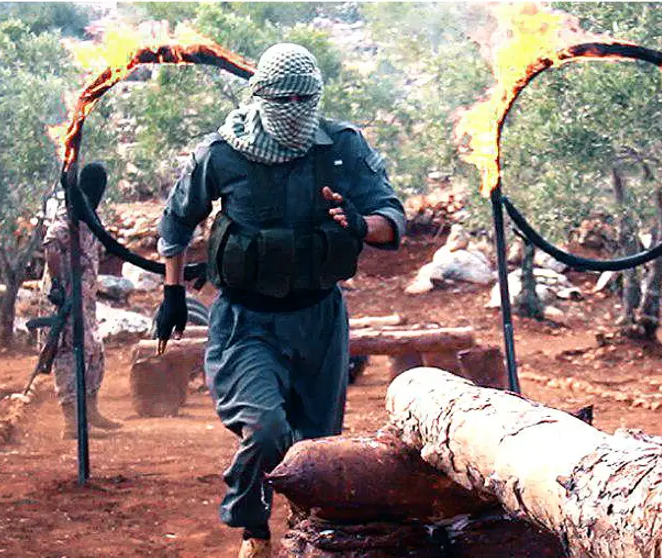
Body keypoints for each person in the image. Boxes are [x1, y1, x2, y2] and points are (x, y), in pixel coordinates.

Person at [153, 43, 405, 558]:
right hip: (247, 320)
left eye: (303, 99)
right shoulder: (223, 152)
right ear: (260, 95)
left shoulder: (342, 148)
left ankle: (307, 537)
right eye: (282, 99)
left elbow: (392, 218)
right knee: (266, 429)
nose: (293, 109)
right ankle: (253, 525)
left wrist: (361, 224)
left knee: (317, 446)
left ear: (316, 98)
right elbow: (177, 220)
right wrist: (172, 293)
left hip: (319, 320)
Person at [43, 162, 123, 439]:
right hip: (66, 296)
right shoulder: (70, 211)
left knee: (93, 352)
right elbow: (52, 245)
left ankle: (90, 411)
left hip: (85, 299)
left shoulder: (88, 213)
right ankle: (71, 422)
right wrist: (56, 285)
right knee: (68, 353)